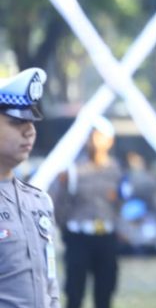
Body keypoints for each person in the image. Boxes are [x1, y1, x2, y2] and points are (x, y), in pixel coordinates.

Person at [0, 67, 60, 308]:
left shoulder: (39, 201)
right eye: (17, 122)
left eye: (32, 121)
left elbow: (50, 285)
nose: (30, 131)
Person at [52, 115, 122, 308]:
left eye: (98, 136)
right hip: (79, 236)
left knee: (105, 292)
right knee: (75, 293)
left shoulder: (116, 170)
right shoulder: (73, 170)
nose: (93, 141)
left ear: (109, 140)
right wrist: (66, 230)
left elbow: (119, 203)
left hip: (106, 236)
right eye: (91, 136)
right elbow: (60, 204)